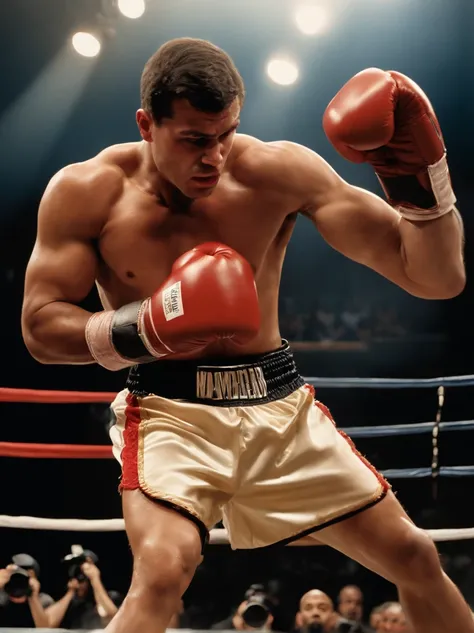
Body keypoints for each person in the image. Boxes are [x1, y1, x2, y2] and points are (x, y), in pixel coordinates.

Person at [21, 37, 470, 633]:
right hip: (168, 410)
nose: (215, 156)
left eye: (226, 133)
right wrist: (151, 325)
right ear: (146, 124)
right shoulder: (89, 192)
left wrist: (420, 175)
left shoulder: (276, 172)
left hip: (277, 405)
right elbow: (40, 328)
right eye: (194, 140)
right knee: (161, 570)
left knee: (415, 556)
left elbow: (436, 278)